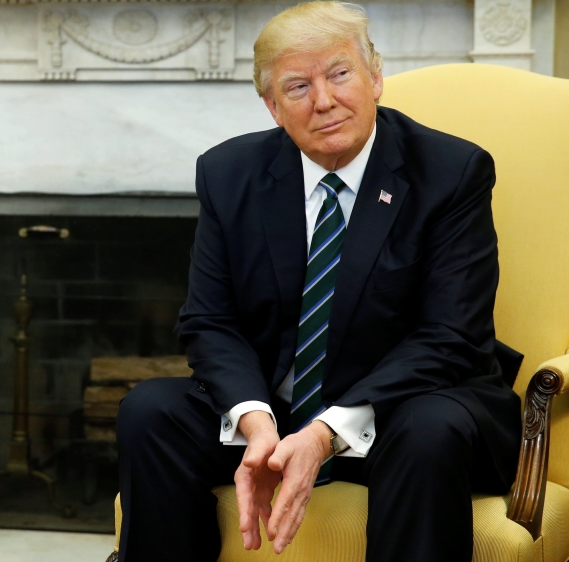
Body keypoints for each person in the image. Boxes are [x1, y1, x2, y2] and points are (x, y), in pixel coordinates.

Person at [115, 3, 521, 561]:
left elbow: (452, 335)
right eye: (298, 86)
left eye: (339, 74)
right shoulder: (229, 174)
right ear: (273, 106)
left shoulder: (451, 172)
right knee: (150, 411)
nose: (324, 101)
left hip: (400, 409)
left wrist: (325, 431)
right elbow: (210, 320)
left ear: (375, 77)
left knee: (430, 429)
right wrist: (256, 422)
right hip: (277, 412)